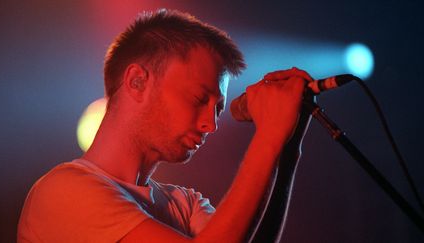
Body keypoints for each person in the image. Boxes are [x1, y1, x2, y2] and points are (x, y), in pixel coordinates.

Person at [18, 9, 313, 243]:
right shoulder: (64, 191)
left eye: (218, 109)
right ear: (137, 81)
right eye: (198, 98)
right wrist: (269, 136)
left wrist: (286, 150)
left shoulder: (184, 203)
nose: (210, 125)